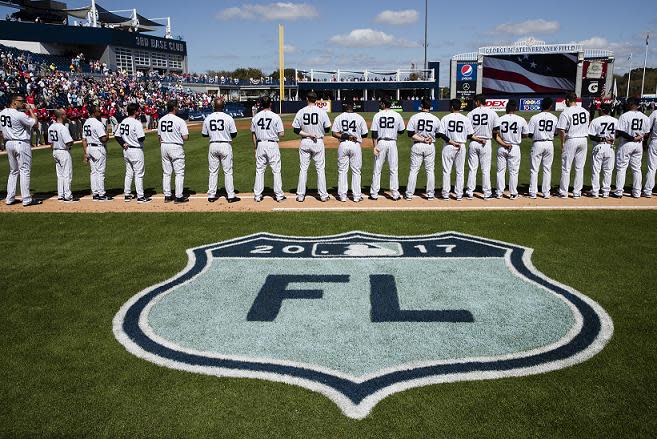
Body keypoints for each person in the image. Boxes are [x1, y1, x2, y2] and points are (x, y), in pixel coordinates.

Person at [0, 94, 41, 206]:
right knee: (24, 170)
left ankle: (10, 198)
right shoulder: (20, 114)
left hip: (8, 143)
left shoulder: (2, 113)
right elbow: (35, 123)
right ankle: (27, 199)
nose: (23, 102)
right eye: (20, 101)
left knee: (13, 171)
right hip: (21, 143)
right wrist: (31, 110)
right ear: (14, 102)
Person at [292, 91, 332, 202]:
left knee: (303, 169)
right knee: (320, 169)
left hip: (305, 141)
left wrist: (307, 134)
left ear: (307, 99)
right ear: (316, 100)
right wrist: (318, 130)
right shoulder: (321, 112)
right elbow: (328, 128)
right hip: (317, 141)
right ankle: (323, 196)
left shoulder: (301, 111)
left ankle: (300, 195)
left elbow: (296, 129)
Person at [438, 99, 479, 200]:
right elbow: (470, 135)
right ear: (460, 107)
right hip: (461, 145)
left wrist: (451, 141)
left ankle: (446, 194)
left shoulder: (445, 118)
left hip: (448, 145)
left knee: (446, 171)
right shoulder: (465, 119)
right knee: (460, 171)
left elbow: (440, 134)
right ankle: (459, 194)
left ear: (452, 107)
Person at [202, 97, 239, 203]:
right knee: (228, 171)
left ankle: (211, 195)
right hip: (225, 144)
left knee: (213, 171)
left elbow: (204, 134)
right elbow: (234, 134)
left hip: (213, 144)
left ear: (214, 106)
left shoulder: (208, 118)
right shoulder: (228, 118)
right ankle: (231, 196)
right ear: (223, 106)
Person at [331, 100, 368, 202]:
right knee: (356, 171)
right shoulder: (359, 117)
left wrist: (345, 135)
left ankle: (342, 196)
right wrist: (355, 134)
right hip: (355, 145)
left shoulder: (339, 117)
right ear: (353, 107)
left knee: (342, 170)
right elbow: (365, 134)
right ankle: (356, 196)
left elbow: (334, 133)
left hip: (343, 144)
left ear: (345, 106)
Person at [370, 96, 405, 200]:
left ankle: (374, 193)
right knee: (393, 169)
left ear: (384, 104)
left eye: (381, 103)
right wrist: (393, 130)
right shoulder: (397, 115)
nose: (380, 104)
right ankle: (395, 193)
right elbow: (402, 130)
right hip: (392, 143)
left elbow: (374, 133)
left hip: (381, 142)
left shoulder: (377, 115)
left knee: (377, 168)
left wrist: (375, 146)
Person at [251, 96, 286, 202]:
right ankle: (279, 195)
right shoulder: (275, 116)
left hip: (260, 144)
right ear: (270, 104)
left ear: (261, 104)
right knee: (276, 170)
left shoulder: (256, 117)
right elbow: (282, 133)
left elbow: (253, 134)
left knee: (260, 170)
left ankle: (257, 195)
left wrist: (255, 148)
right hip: (272, 144)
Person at [405, 98, 441, 200]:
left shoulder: (415, 117)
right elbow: (438, 135)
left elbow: (410, 134)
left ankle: (409, 194)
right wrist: (430, 137)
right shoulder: (435, 118)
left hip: (417, 145)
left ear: (421, 106)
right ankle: (430, 194)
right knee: (430, 170)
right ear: (430, 107)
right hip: (430, 145)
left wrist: (422, 139)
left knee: (414, 170)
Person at [613, 97, 649, 198]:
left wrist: (633, 138)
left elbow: (620, 131)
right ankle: (637, 192)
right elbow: (647, 133)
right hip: (638, 144)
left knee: (621, 167)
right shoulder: (645, 117)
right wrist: (640, 137)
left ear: (630, 104)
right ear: (638, 105)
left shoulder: (624, 116)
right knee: (636, 168)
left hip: (627, 143)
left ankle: (619, 191)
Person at [115, 103, 151, 203]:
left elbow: (117, 136)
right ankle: (140, 196)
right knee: (139, 174)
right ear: (135, 111)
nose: (139, 112)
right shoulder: (136, 123)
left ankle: (127, 194)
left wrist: (123, 143)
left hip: (126, 150)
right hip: (136, 150)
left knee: (129, 173)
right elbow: (141, 138)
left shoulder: (123, 121)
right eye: (138, 110)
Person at [556, 93, 589, 198]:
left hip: (572, 139)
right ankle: (577, 192)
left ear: (567, 100)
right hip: (583, 139)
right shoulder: (585, 111)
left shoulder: (566, 112)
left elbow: (561, 130)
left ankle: (563, 192)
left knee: (566, 167)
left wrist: (562, 143)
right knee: (579, 168)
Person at [466, 94, 499, 200]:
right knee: (485, 169)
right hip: (486, 142)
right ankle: (487, 193)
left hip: (473, 142)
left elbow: (467, 132)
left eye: (475, 101)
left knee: (472, 169)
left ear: (478, 102)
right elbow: (496, 129)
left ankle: (469, 192)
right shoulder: (492, 113)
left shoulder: (471, 113)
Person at [494, 99, 528, 200]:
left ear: (506, 108)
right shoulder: (521, 119)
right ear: (516, 108)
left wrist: (504, 143)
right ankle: (513, 193)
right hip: (514, 147)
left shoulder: (499, 119)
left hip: (502, 146)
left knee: (500, 171)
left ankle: (499, 193)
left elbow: (495, 135)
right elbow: (526, 134)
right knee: (513, 171)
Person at [158, 100, 189, 203]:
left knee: (166, 172)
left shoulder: (161, 120)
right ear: (174, 108)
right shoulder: (180, 120)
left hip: (164, 145)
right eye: (177, 107)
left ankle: (167, 196)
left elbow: (159, 137)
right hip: (175, 146)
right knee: (179, 172)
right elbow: (185, 137)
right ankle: (179, 196)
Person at [527, 98, 558, 199]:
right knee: (547, 169)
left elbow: (530, 134)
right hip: (549, 144)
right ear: (550, 106)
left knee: (534, 169)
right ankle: (546, 193)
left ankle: (533, 193)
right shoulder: (554, 117)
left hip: (537, 143)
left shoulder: (534, 117)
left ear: (541, 106)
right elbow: (556, 133)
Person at [588, 103, 617, 198]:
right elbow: (620, 133)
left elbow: (591, 136)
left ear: (601, 110)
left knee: (596, 170)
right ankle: (605, 192)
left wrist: (603, 139)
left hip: (599, 147)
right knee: (608, 171)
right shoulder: (615, 120)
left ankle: (595, 192)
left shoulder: (596, 121)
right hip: (610, 147)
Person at [82, 105, 111, 201]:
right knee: (100, 172)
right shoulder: (97, 123)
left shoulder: (86, 123)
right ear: (94, 113)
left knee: (93, 172)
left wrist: (85, 152)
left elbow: (84, 139)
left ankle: (95, 194)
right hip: (98, 148)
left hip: (89, 148)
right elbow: (103, 139)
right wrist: (107, 135)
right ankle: (101, 194)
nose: (100, 112)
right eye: (98, 111)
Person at [48, 109, 77, 202]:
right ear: (62, 116)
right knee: (67, 174)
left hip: (55, 151)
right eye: (65, 114)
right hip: (63, 151)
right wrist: (71, 143)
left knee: (60, 175)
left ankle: (61, 194)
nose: (66, 116)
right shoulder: (63, 128)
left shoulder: (51, 127)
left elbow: (50, 143)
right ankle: (68, 195)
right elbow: (68, 142)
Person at [643, 106, 657, 197]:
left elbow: (647, 128)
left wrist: (644, 142)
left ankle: (648, 191)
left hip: (655, 141)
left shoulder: (655, 113)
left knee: (652, 168)